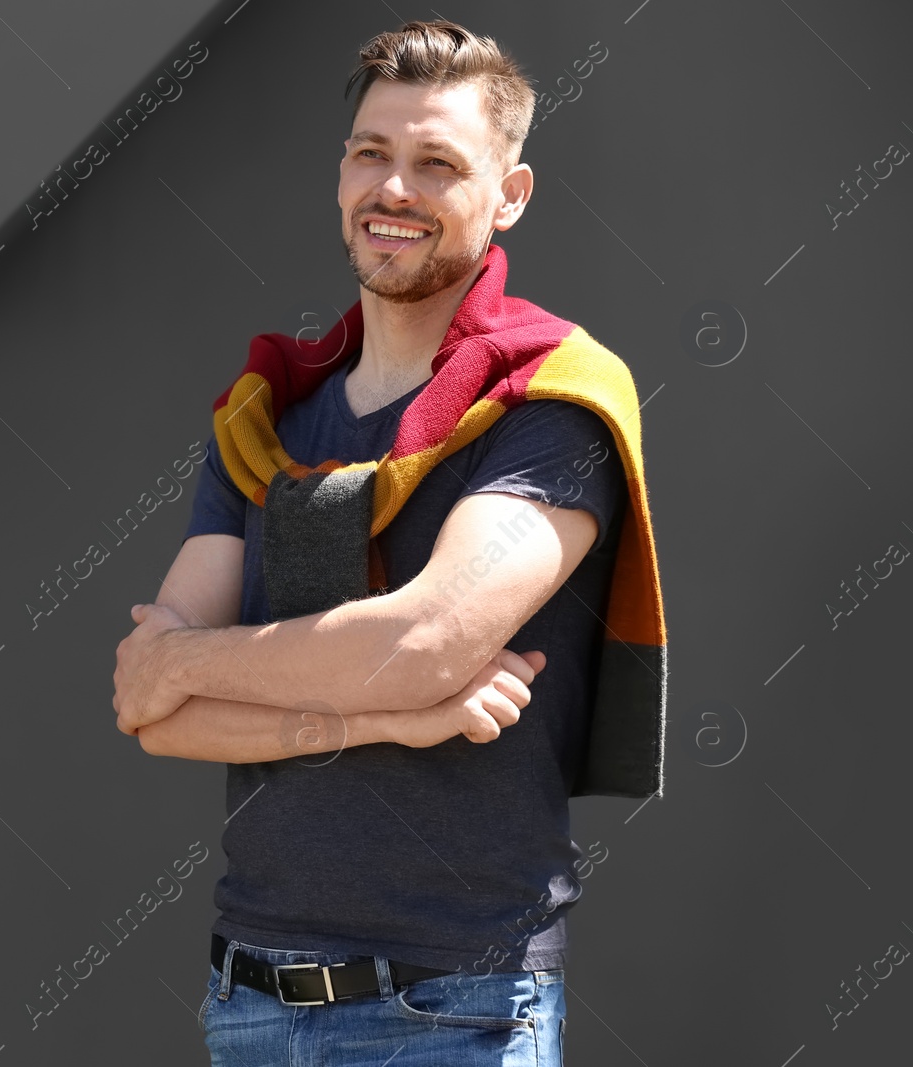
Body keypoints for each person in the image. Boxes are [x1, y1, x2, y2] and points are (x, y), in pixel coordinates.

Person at [110, 18, 667, 1067]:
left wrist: (186, 654)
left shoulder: (552, 397)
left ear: (509, 195)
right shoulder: (267, 414)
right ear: (340, 175)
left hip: (449, 1005)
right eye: (371, 153)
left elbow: (423, 645)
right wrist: (394, 718)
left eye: (436, 164)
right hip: (250, 999)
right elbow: (154, 715)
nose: (393, 189)